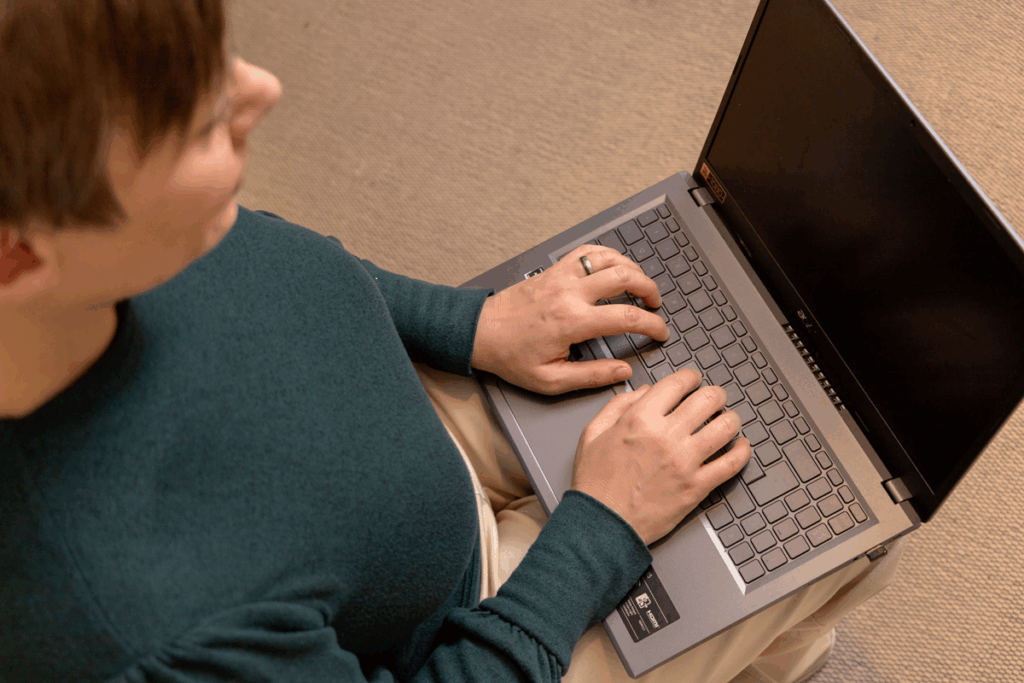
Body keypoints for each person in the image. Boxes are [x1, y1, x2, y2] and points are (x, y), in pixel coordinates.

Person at [0, 1, 904, 682]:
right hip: (479, 627)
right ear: (19, 257)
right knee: (845, 507)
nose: (262, 90)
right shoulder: (142, 631)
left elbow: (259, 255)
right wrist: (601, 530)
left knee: (763, 408)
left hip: (404, 427)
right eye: (197, 123)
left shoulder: (90, 237)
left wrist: (470, 322)